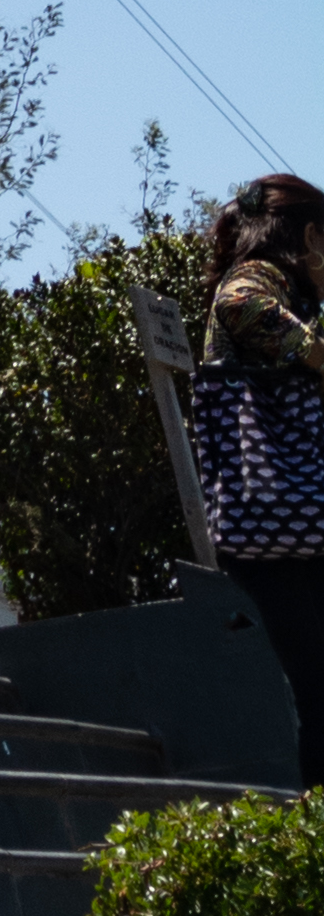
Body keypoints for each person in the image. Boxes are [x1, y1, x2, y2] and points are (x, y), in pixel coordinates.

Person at [191, 170, 324, 777]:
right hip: (283, 530)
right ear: (312, 236)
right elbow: (239, 304)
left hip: (291, 526)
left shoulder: (299, 294)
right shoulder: (260, 278)